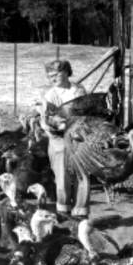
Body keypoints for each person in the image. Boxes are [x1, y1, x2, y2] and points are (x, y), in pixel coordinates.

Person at [39, 59, 90, 218]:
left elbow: (85, 111)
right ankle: (63, 210)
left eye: (56, 74)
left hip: (79, 137)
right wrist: (58, 125)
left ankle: (81, 211)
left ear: (66, 72)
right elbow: (48, 120)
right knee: (62, 176)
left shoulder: (79, 90)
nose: (52, 79)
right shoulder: (50, 95)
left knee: (82, 175)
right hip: (58, 138)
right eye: (50, 76)